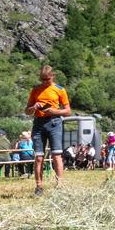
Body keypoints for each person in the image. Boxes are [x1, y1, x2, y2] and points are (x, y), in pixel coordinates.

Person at [25, 64, 71, 196]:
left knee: (56, 155)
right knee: (39, 157)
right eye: (43, 79)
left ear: (53, 76)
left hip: (54, 123)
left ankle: (60, 185)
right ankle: (39, 187)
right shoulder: (35, 90)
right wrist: (34, 107)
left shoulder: (60, 90)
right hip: (38, 124)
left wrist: (54, 111)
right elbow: (27, 111)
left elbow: (68, 111)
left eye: (47, 79)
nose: (45, 82)